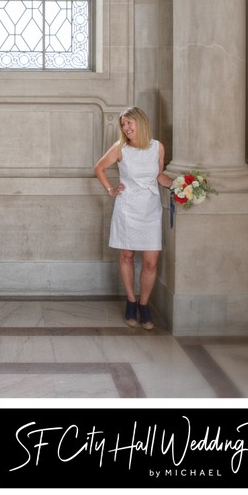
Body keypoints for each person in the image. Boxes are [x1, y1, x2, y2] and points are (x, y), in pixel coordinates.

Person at [94, 107, 172, 329]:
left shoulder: (157, 147)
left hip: (150, 209)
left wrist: (180, 185)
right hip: (127, 208)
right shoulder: (120, 149)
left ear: (141, 123)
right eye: (123, 124)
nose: (126, 128)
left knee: (150, 261)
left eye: (130, 123)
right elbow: (99, 168)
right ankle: (130, 301)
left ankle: (144, 305)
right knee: (127, 255)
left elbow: (159, 176)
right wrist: (110, 189)